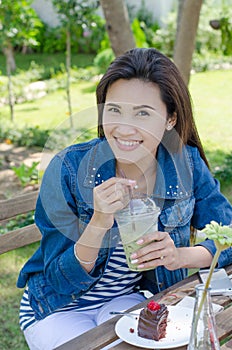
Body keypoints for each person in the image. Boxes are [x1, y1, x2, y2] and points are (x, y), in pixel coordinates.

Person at [17, 48, 232, 349]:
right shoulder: (68, 169)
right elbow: (59, 280)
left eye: (143, 113)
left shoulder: (186, 165)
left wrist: (179, 256)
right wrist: (99, 221)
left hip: (123, 300)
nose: (124, 128)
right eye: (114, 109)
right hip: (56, 308)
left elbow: (228, 234)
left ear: (170, 118)